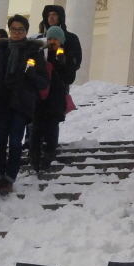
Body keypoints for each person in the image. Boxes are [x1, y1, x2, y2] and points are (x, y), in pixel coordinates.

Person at [0, 15, 49, 196]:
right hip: (1, 102)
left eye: (20, 29)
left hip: (21, 103)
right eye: (13, 29)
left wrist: (32, 74)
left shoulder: (34, 52)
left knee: (16, 143)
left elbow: (43, 82)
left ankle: (9, 179)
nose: (16, 32)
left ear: (26, 31)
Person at [31, 26, 75, 172]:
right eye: (49, 38)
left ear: (61, 40)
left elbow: (69, 77)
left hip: (56, 98)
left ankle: (48, 156)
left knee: (51, 128)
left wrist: (63, 63)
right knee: (36, 129)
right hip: (41, 97)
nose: (52, 41)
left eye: (55, 38)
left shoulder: (67, 55)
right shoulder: (41, 54)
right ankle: (34, 158)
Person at [37, 5, 83, 77]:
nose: (51, 17)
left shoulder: (71, 38)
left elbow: (76, 61)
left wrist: (64, 61)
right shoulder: (41, 38)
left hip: (61, 80)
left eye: (54, 14)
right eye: (49, 15)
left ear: (60, 17)